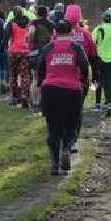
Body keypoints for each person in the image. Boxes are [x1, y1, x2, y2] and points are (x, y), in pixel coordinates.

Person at [36, 20, 89, 175]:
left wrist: (41, 82)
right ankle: (66, 148)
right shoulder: (76, 47)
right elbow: (84, 65)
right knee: (72, 125)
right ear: (71, 32)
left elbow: (40, 67)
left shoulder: (48, 47)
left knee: (53, 128)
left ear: (55, 33)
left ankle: (54, 162)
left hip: (50, 89)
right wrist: (84, 80)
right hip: (72, 90)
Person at [65, 4, 99, 152]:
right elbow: (93, 56)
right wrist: (95, 76)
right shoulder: (85, 34)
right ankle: (72, 140)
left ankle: (64, 136)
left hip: (61, 77)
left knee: (62, 109)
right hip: (80, 79)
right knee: (77, 110)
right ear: (79, 17)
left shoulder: (58, 33)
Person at [92, 10, 111, 117]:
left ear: (102, 19)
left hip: (100, 58)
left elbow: (93, 42)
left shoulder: (98, 29)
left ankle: (97, 104)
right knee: (110, 83)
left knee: (99, 81)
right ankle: (109, 105)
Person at [27, 6, 55, 113]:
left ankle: (34, 102)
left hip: (34, 53)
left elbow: (30, 35)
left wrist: (31, 43)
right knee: (45, 78)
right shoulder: (51, 24)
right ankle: (42, 102)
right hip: (47, 54)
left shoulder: (33, 23)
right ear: (47, 13)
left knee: (34, 78)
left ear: (37, 13)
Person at [6, 6, 31, 107]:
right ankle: (24, 95)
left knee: (13, 75)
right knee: (25, 74)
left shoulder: (11, 23)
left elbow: (7, 36)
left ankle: (14, 97)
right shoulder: (29, 23)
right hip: (25, 51)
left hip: (13, 51)